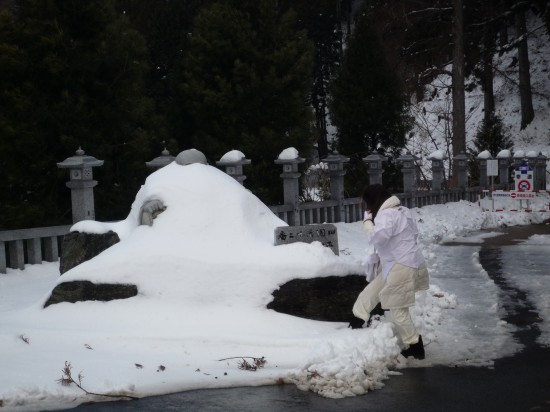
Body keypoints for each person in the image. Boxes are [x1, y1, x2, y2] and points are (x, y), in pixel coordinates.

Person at [350, 184, 429, 360]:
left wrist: (367, 223)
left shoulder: (387, 215)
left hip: (401, 266)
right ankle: (357, 319)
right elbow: (410, 236)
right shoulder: (403, 211)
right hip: (401, 263)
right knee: (372, 291)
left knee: (398, 311)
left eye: (367, 204)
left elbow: (376, 238)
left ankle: (416, 346)